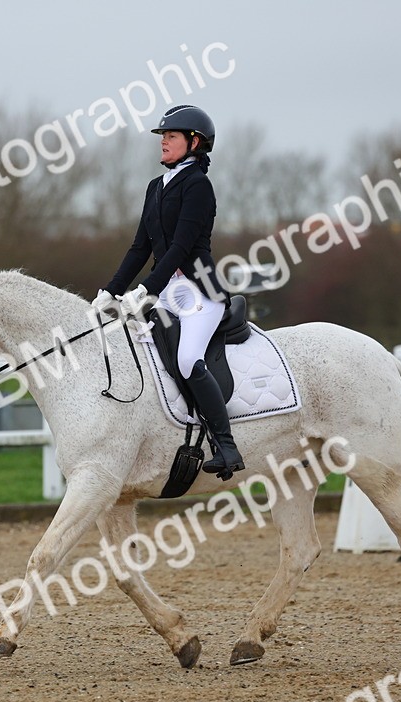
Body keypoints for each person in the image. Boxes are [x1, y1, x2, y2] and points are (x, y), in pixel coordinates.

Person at [92, 104, 245, 477]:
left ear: (194, 142)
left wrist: (145, 289)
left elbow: (180, 246)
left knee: (188, 359)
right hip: (167, 292)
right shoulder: (155, 187)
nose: (163, 143)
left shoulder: (198, 186)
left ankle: (227, 446)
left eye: (170, 137)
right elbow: (140, 247)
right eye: (162, 137)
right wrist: (109, 291)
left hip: (200, 290)